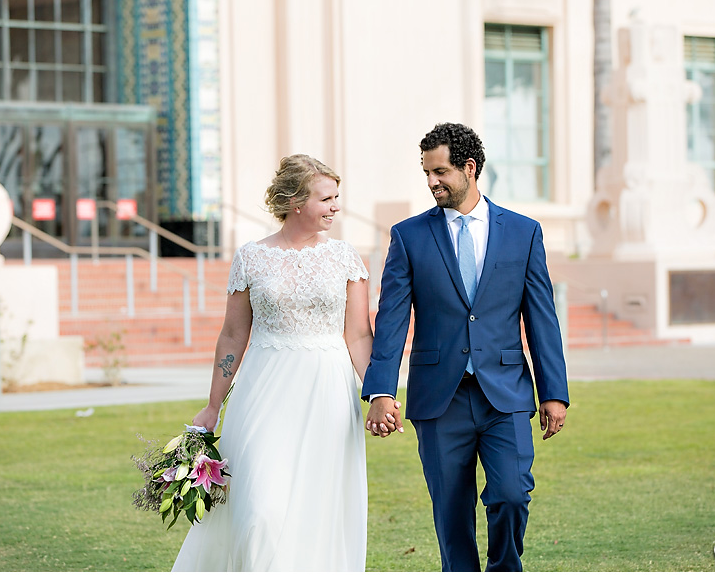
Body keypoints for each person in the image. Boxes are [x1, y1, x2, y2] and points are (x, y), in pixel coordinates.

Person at [361, 123, 570, 572]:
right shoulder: (409, 236)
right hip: (440, 398)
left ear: (469, 168)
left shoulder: (523, 232)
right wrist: (381, 390)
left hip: (507, 394)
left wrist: (553, 391)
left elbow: (541, 318)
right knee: (451, 514)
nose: (432, 181)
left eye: (440, 171)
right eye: (426, 173)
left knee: (512, 495)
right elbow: (393, 318)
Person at [172, 154, 377, 571]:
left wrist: (379, 395)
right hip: (264, 390)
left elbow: (357, 334)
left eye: (337, 197)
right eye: (327, 199)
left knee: (316, 507)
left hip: (327, 390)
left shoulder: (345, 257)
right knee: (258, 510)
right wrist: (212, 406)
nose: (336, 206)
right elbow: (232, 335)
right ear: (296, 202)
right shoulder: (251, 257)